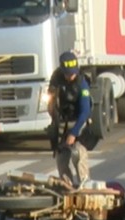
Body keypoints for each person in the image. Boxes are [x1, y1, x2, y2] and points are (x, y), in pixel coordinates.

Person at [47, 51, 91, 186]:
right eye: (67, 73)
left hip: (79, 120)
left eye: (73, 73)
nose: (71, 76)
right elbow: (51, 99)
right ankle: (67, 186)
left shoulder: (82, 83)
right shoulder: (56, 78)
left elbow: (85, 111)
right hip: (63, 120)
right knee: (61, 158)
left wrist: (74, 133)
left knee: (78, 152)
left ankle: (85, 185)